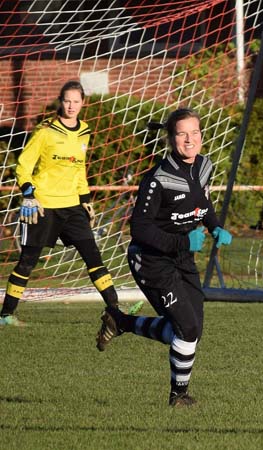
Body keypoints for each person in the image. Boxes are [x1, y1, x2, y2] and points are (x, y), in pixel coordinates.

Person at [95, 107, 232, 407]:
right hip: (151, 261)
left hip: (181, 258)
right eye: (182, 134)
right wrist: (184, 241)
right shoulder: (157, 179)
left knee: (190, 331)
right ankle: (178, 396)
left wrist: (215, 226)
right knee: (187, 329)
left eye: (194, 133)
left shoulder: (205, 166)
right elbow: (139, 229)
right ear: (171, 138)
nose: (189, 139)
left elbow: (203, 202)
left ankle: (121, 322)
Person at [0, 80, 142, 326]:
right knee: (28, 262)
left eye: (76, 101)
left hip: (73, 207)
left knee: (93, 256)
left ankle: (116, 310)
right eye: (67, 101)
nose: (71, 106)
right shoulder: (45, 131)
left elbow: (79, 170)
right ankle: (6, 315)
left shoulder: (85, 131)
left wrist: (85, 200)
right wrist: (29, 194)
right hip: (42, 206)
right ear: (60, 102)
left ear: (82, 103)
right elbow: (23, 165)